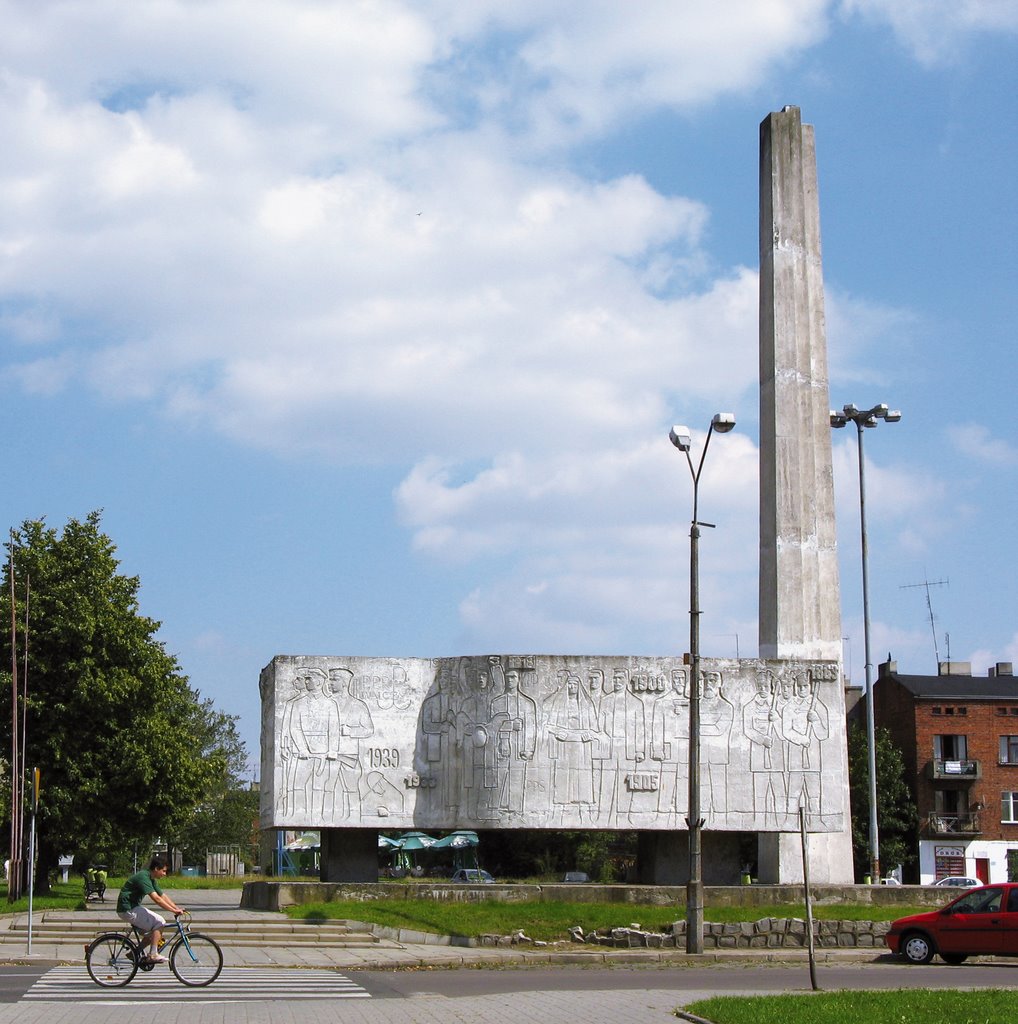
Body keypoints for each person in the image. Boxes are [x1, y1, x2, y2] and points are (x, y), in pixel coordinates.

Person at [116, 856, 186, 963]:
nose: (164, 874)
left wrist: (176, 908)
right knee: (160, 922)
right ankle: (153, 955)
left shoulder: (151, 878)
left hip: (131, 907)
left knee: (153, 935)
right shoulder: (143, 877)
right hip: (128, 908)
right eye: (163, 871)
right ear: (156, 869)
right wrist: (173, 911)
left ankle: (134, 953)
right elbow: (157, 899)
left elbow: (162, 895)